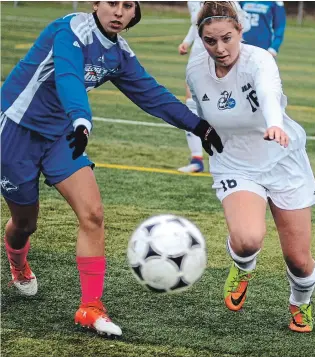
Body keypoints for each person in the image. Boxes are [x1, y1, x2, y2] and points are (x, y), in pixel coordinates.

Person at [0, 1, 223, 337]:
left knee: (93, 215)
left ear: (135, 13)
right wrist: (81, 118)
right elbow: (68, 75)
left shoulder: (118, 54)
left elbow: (151, 94)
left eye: (128, 6)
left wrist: (199, 127)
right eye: (112, 3)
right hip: (17, 130)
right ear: (96, 4)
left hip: (64, 136)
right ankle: (17, 262)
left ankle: (90, 307)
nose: (119, 12)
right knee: (25, 223)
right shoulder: (69, 31)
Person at [187, 1, 315, 332]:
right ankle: (244, 267)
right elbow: (197, 114)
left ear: (240, 32)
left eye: (227, 38)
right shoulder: (195, 70)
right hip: (235, 163)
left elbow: (269, 91)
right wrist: (201, 141)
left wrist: (274, 123)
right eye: (210, 41)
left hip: (283, 158)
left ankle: (299, 302)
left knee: (299, 262)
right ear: (200, 38)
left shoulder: (259, 59)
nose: (219, 48)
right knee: (247, 239)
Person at [177, 1, 250, 173]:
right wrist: (187, 42)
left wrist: (225, 39)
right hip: (198, 55)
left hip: (222, 56)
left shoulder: (226, 3)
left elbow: (244, 24)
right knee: (192, 103)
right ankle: (196, 158)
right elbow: (196, 24)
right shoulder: (192, 2)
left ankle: (237, 155)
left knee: (228, 103)